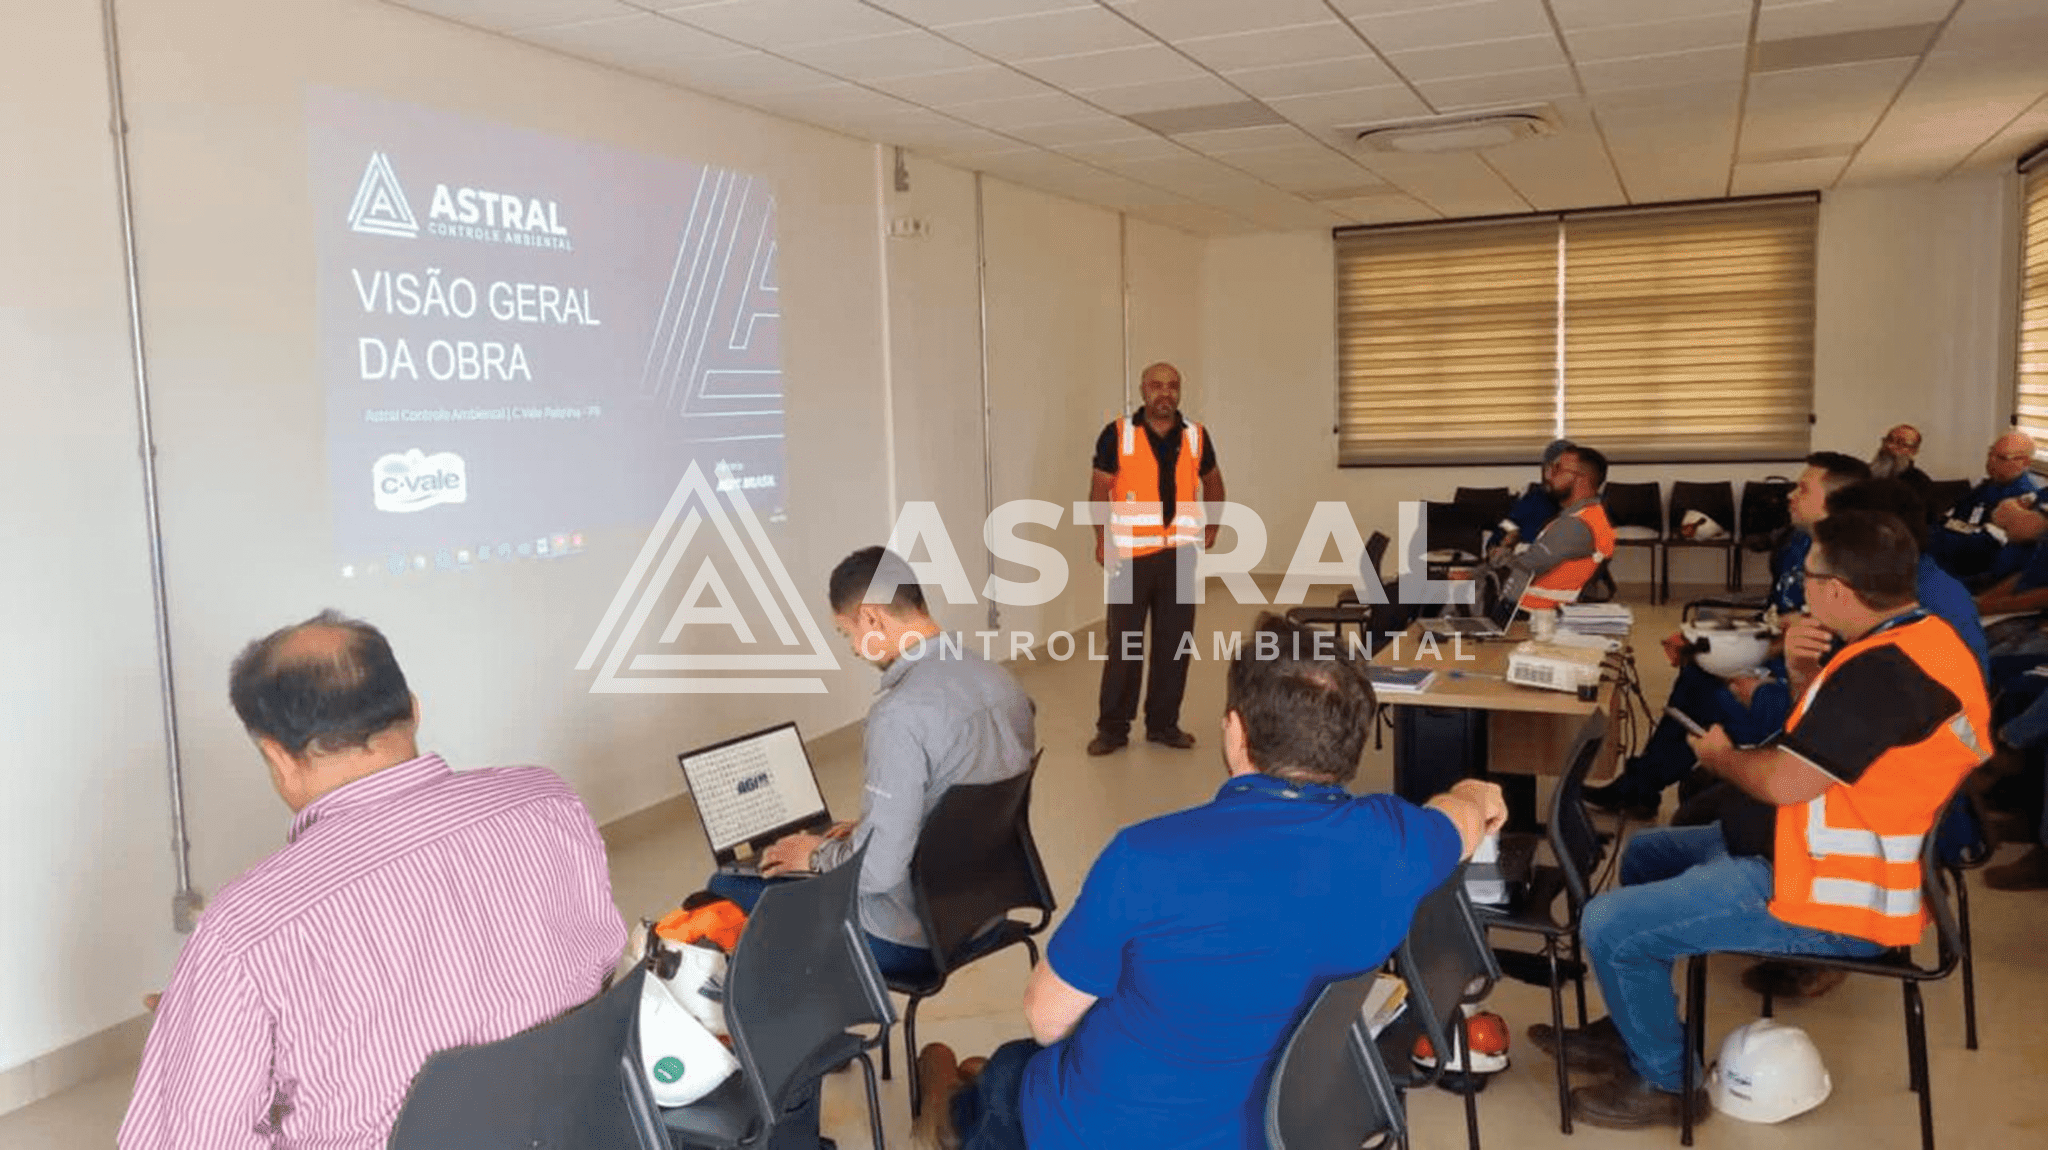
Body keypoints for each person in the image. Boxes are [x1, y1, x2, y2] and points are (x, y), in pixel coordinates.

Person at [910, 614, 1507, 1150]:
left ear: (1234, 732)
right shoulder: (1396, 841)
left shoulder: (1147, 857)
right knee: (1010, 1071)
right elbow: (1463, 816)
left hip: (1115, 1131)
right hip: (1282, 1126)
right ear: (1351, 741)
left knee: (1012, 1070)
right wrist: (1476, 792)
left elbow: (1046, 1019)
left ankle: (949, 1110)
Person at [1531, 510, 1990, 1129]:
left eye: (1810, 576)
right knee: (1646, 854)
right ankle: (1636, 1026)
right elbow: (1832, 745)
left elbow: (1783, 781)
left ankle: (1666, 1084)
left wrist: (1721, 758)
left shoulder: (1883, 671)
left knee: (1610, 923)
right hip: (1811, 848)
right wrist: (1802, 676)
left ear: (1838, 590)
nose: (1801, 589)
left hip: (1834, 896)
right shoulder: (1917, 637)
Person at [119, 612, 625, 1150]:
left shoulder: (245, 929)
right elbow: (590, 979)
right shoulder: (546, 802)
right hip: (583, 1127)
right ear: (414, 710)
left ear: (276, 756)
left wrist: (209, 1022)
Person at [706, 546, 1035, 984]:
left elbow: (878, 874)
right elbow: (961, 801)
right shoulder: (1001, 680)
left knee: (725, 888)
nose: (854, 650)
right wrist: (869, 832)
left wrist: (816, 855)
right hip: (986, 914)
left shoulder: (898, 715)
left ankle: (808, 1023)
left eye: (846, 633)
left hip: (915, 939)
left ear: (873, 619)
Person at [1584, 452, 1871, 819]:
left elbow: (1813, 643)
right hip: (1778, 665)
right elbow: (1775, 621)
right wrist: (1705, 640)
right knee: (1697, 669)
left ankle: (1656, 786)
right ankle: (1643, 787)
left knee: (1707, 693)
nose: (1790, 495)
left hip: (1801, 688)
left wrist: (1743, 663)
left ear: (1835, 501)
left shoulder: (1849, 564)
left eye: (1803, 489)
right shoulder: (1798, 545)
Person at [1087, 361, 1226, 756]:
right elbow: (1099, 491)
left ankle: (1164, 725)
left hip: (1179, 557)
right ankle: (1113, 729)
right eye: (1156, 386)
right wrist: (1102, 540)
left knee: (1174, 645)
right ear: (1143, 390)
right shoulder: (1118, 435)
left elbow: (1213, 482)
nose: (1165, 393)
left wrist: (1212, 524)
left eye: (1173, 386)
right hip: (1130, 558)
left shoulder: (1197, 436)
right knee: (1125, 646)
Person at [1498, 444, 1615, 612]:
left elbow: (1524, 567)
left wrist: (1500, 556)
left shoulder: (1575, 526)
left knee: (1457, 591)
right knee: (1459, 587)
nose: (1548, 475)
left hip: (1524, 610)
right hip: (1526, 604)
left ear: (1582, 480)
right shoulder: (1588, 515)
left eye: (1557, 470)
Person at [1928, 431, 2040, 579]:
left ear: (2025, 463)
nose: (1991, 461)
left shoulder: (2022, 500)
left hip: (1971, 570)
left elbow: (1985, 547)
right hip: (1950, 552)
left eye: (2001, 458)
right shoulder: (1990, 485)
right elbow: (1956, 514)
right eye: (1991, 453)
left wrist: (1934, 537)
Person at [1492, 438, 1576, 549]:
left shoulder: (1586, 505)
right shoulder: (1534, 497)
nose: (1550, 476)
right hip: (1521, 555)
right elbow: (1505, 527)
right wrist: (1499, 543)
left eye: (1559, 471)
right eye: (1547, 469)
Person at [1868, 423, 1934, 505]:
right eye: (1889, 440)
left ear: (1913, 451)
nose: (1890, 446)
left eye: (1900, 443)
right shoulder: (1862, 472)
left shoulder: (1920, 482)